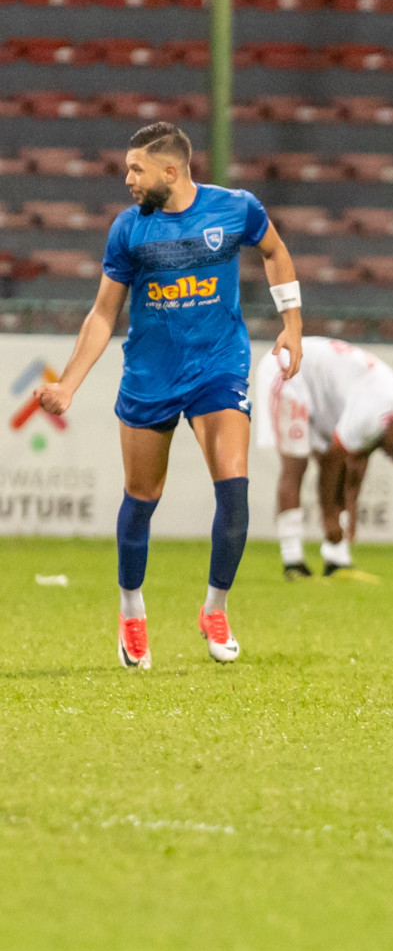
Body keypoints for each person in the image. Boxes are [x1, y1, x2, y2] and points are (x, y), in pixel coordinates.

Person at [35, 121, 304, 669]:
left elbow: (274, 251)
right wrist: (68, 383)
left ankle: (216, 608)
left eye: (136, 168)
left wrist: (292, 323)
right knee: (142, 496)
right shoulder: (129, 230)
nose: (126, 177)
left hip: (218, 367)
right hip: (151, 373)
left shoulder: (236, 209)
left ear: (171, 171)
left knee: (234, 489)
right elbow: (104, 312)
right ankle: (131, 612)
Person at [253, 336, 393, 578]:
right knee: (296, 463)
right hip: (290, 369)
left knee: (343, 469)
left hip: (324, 392)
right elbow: (331, 463)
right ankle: (293, 561)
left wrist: (347, 516)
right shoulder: (371, 414)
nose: (390, 459)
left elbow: (356, 464)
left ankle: (336, 560)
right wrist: (331, 519)